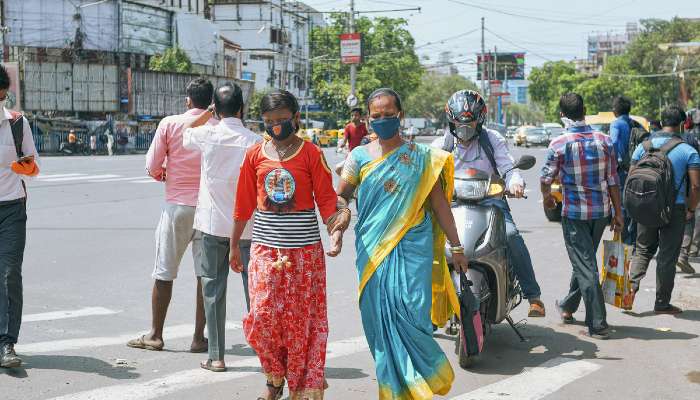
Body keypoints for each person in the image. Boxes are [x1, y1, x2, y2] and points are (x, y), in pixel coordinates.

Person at [337, 88, 468, 399]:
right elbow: (342, 195)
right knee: (378, 322)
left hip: (414, 251)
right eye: (376, 116)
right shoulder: (357, 157)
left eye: (388, 115)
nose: (382, 120)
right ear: (368, 119)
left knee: (413, 317)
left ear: (401, 115)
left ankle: (420, 384)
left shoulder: (423, 158)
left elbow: (440, 206)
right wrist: (340, 215)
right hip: (372, 250)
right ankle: (395, 391)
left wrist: (458, 247)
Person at [230, 90, 345, 400]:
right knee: (262, 318)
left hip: (305, 256)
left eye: (282, 120)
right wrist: (233, 246)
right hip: (265, 251)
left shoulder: (311, 153)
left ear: (296, 118)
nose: (276, 126)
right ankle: (275, 374)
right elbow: (242, 205)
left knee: (302, 324)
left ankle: (300, 388)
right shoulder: (254, 155)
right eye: (269, 121)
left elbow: (326, 201)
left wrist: (335, 233)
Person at [432, 89, 546, 317]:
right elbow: (428, 172)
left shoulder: (492, 139)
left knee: (512, 235)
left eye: (470, 123)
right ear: (451, 121)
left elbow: (508, 167)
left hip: (490, 201)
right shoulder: (441, 144)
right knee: (426, 242)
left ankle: (533, 296)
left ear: (480, 120)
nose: (464, 128)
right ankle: (430, 304)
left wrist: (515, 183)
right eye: (458, 123)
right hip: (451, 204)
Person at [127, 78, 215, 353]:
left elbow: (152, 165)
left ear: (188, 100)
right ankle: (199, 338)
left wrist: (163, 174)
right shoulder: (218, 127)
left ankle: (155, 334)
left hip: (177, 206)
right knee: (205, 275)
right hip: (208, 209)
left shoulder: (170, 124)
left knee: (164, 272)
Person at [182, 82, 262, 372]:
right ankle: (265, 353)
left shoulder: (208, 134)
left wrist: (209, 114)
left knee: (213, 290)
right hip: (248, 228)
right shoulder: (255, 142)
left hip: (213, 226)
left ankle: (216, 356)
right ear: (242, 108)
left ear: (215, 107)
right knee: (255, 292)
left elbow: (185, 133)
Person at [542, 93, 623, 340]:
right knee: (585, 261)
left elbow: (545, 179)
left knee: (585, 265)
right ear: (585, 110)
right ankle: (568, 305)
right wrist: (618, 213)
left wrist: (547, 198)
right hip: (600, 213)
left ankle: (598, 323)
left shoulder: (559, 144)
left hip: (575, 214)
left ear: (562, 116)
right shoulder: (605, 140)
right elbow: (613, 180)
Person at [629, 105, 700, 314]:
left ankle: (629, 293)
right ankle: (662, 303)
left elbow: (633, 175)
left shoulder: (643, 146)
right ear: (680, 124)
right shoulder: (688, 151)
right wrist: (690, 209)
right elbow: (696, 186)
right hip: (675, 209)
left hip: (646, 205)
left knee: (642, 249)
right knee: (667, 256)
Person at [0, 64, 40, 368]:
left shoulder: (16, 123)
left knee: (10, 272)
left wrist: (19, 166)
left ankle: (7, 343)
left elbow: (32, 165)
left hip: (12, 207)